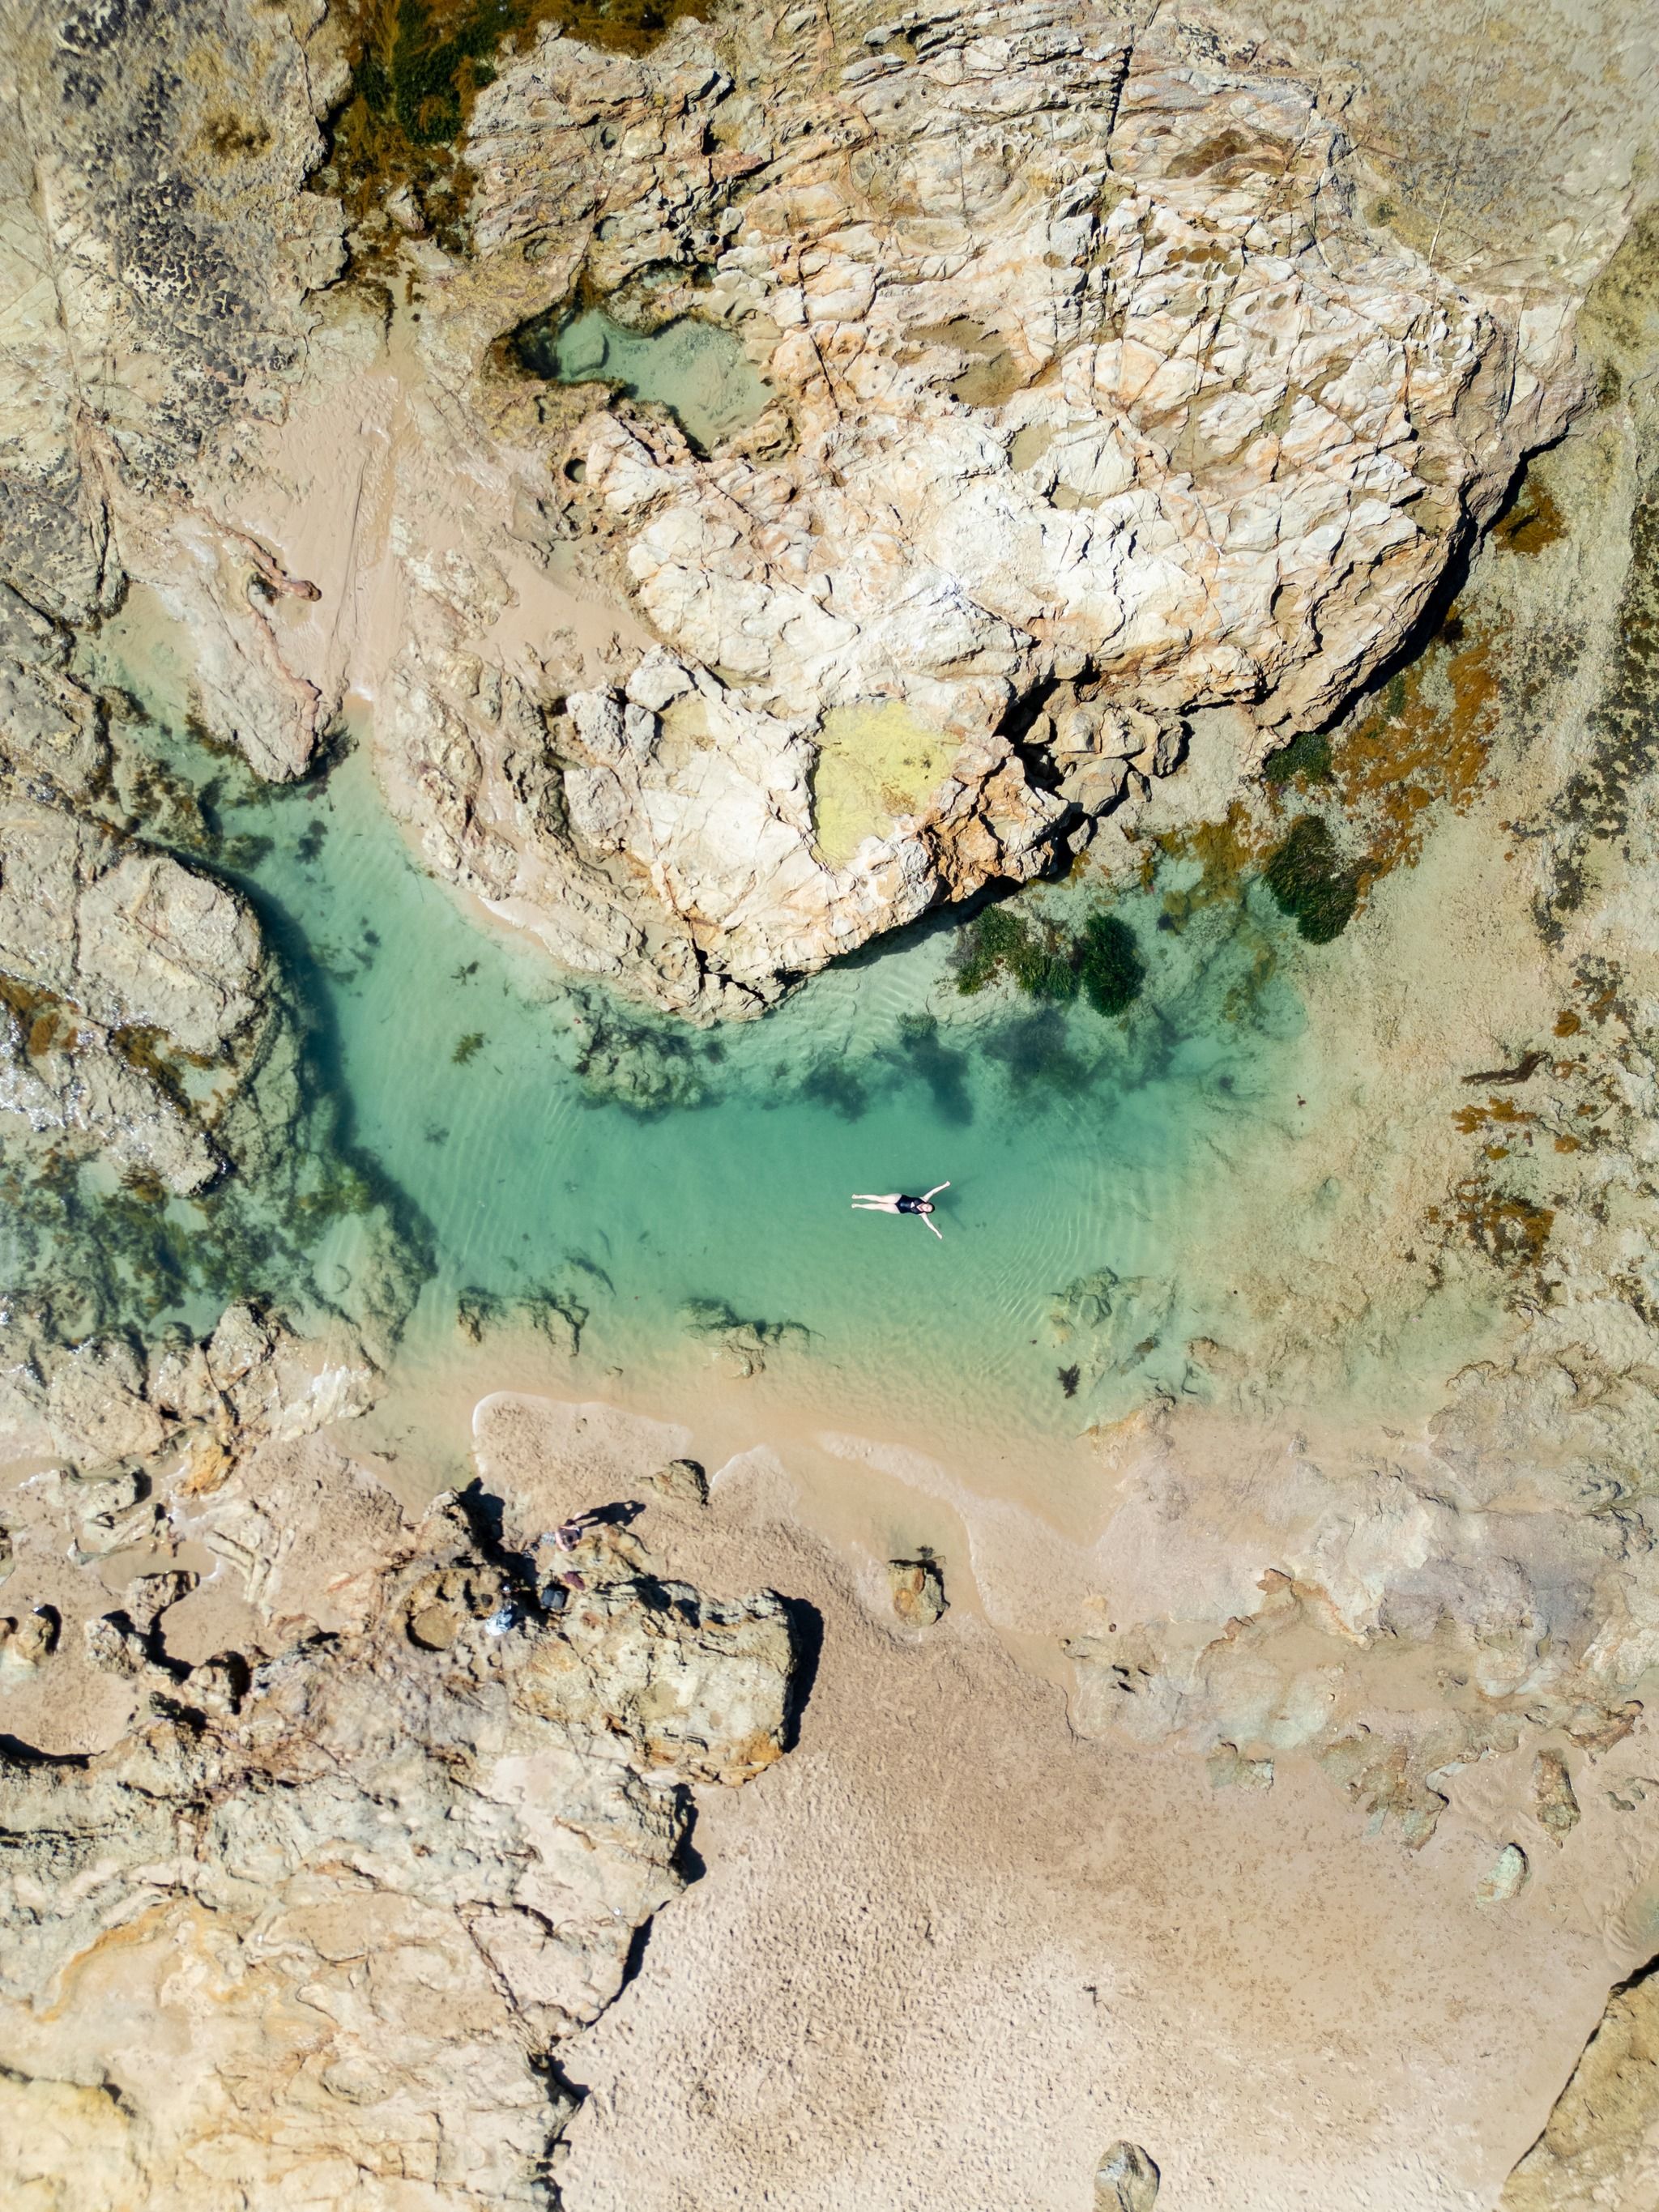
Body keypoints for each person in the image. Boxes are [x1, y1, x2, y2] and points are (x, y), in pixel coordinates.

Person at [851, 1182, 949, 1240]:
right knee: (880, 1198)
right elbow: (933, 1191)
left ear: (926, 1212)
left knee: (879, 1206)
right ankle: (860, 1196)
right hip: (900, 1198)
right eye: (928, 1206)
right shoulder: (923, 1199)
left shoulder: (922, 1214)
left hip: (899, 1209)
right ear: (928, 1203)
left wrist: (937, 1232)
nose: (926, 1208)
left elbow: (929, 1224)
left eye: (927, 1209)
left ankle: (859, 1205)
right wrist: (945, 1185)